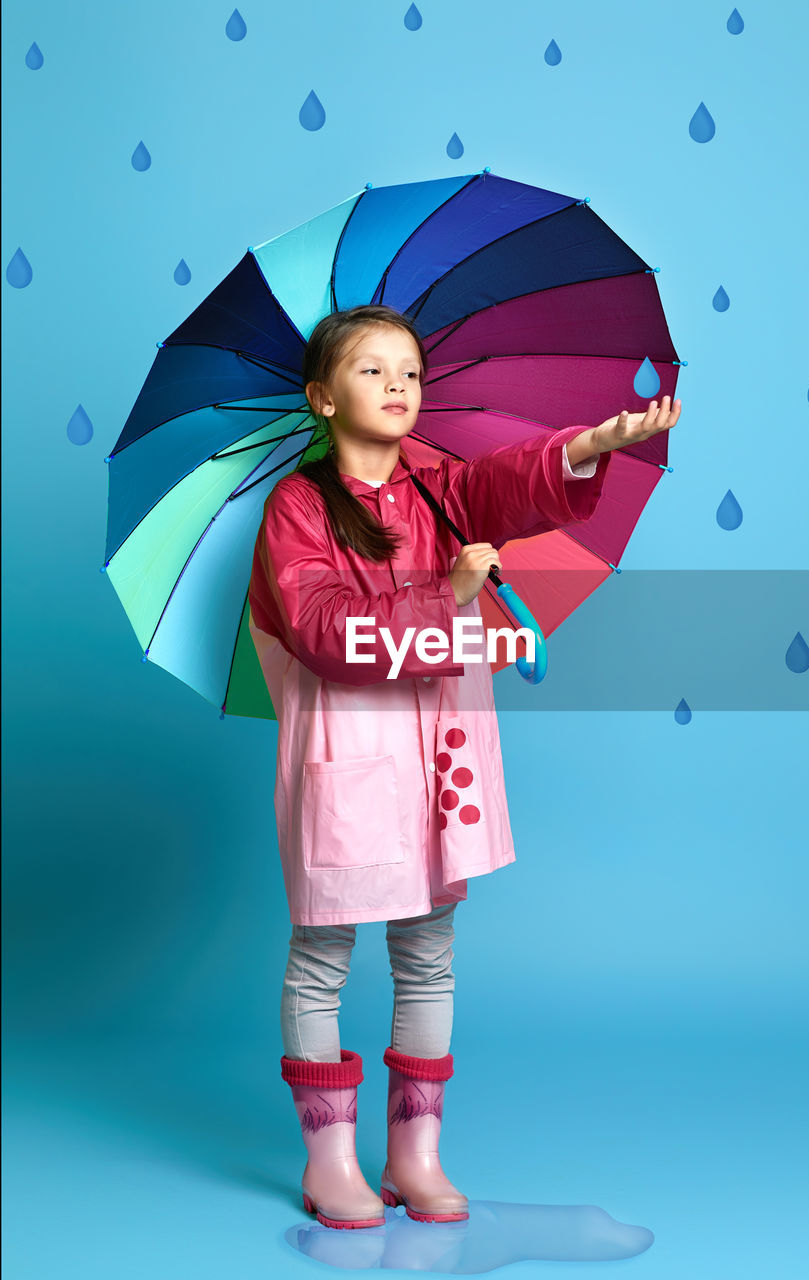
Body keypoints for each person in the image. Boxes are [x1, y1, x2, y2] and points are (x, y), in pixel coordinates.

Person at [248, 304, 680, 1231]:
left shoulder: (440, 489)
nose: (399, 385)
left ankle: (416, 1152)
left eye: (409, 370)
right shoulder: (297, 508)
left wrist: (588, 445)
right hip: (347, 759)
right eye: (371, 371)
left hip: (435, 757)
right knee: (325, 952)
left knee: (429, 950)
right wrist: (442, 595)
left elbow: (515, 483)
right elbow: (324, 630)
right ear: (322, 398)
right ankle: (330, 1161)